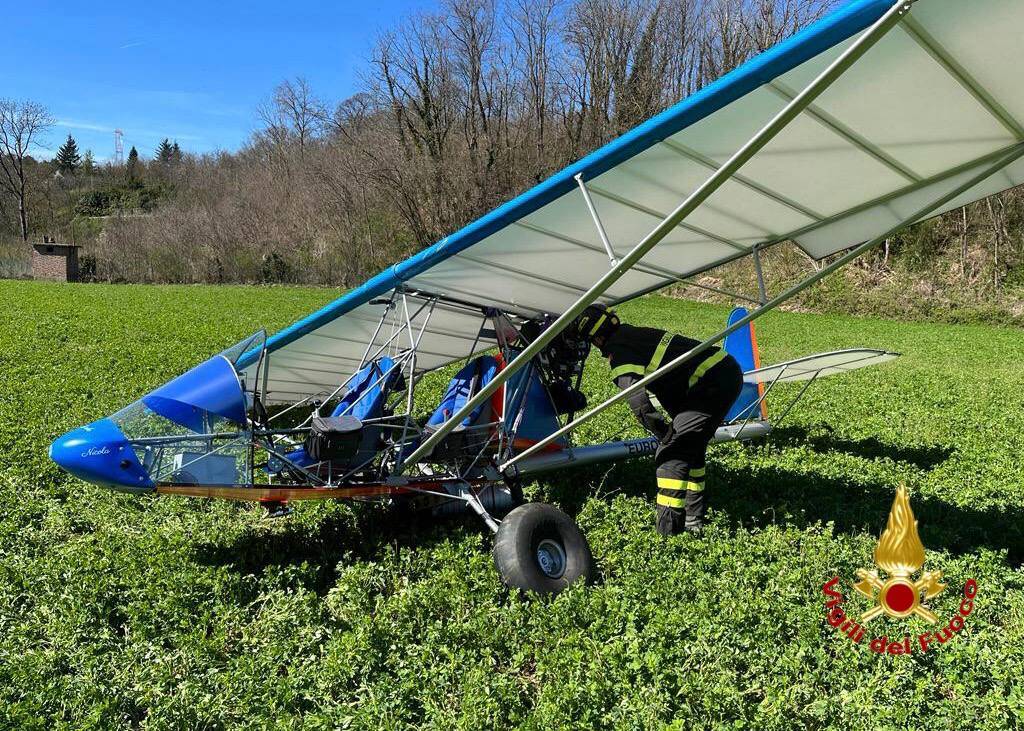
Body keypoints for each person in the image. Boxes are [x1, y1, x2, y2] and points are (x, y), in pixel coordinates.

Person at [575, 304, 743, 535]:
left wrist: (663, 433)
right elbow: (669, 382)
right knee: (689, 449)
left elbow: (637, 400)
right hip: (719, 373)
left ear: (596, 339)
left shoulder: (620, 350)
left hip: (711, 380)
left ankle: (668, 534)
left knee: (671, 454)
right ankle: (693, 519)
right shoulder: (632, 334)